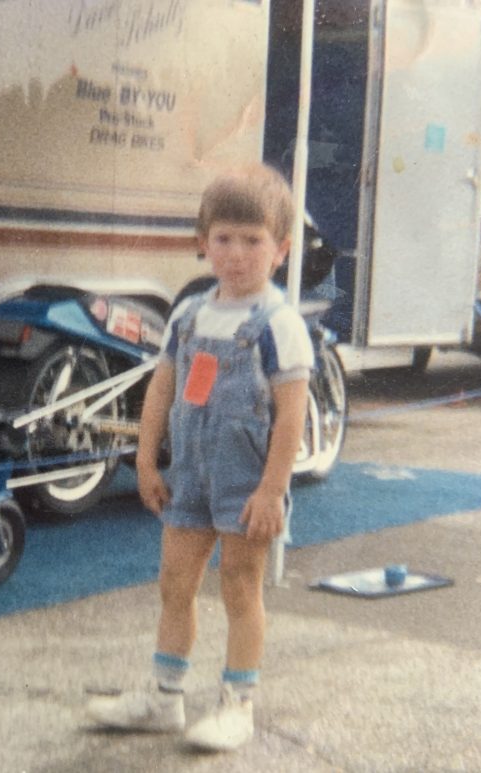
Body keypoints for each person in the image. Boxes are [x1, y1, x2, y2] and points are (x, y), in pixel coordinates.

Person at [86, 165, 313, 752]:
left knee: (240, 587)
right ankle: (164, 698)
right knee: (174, 584)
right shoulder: (187, 319)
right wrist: (143, 461)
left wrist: (270, 490)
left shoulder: (279, 325)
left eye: (253, 240)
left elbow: (291, 416)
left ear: (281, 249)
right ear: (202, 241)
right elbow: (160, 390)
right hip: (189, 477)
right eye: (224, 239)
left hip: (246, 482)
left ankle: (237, 702)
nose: (237, 254)